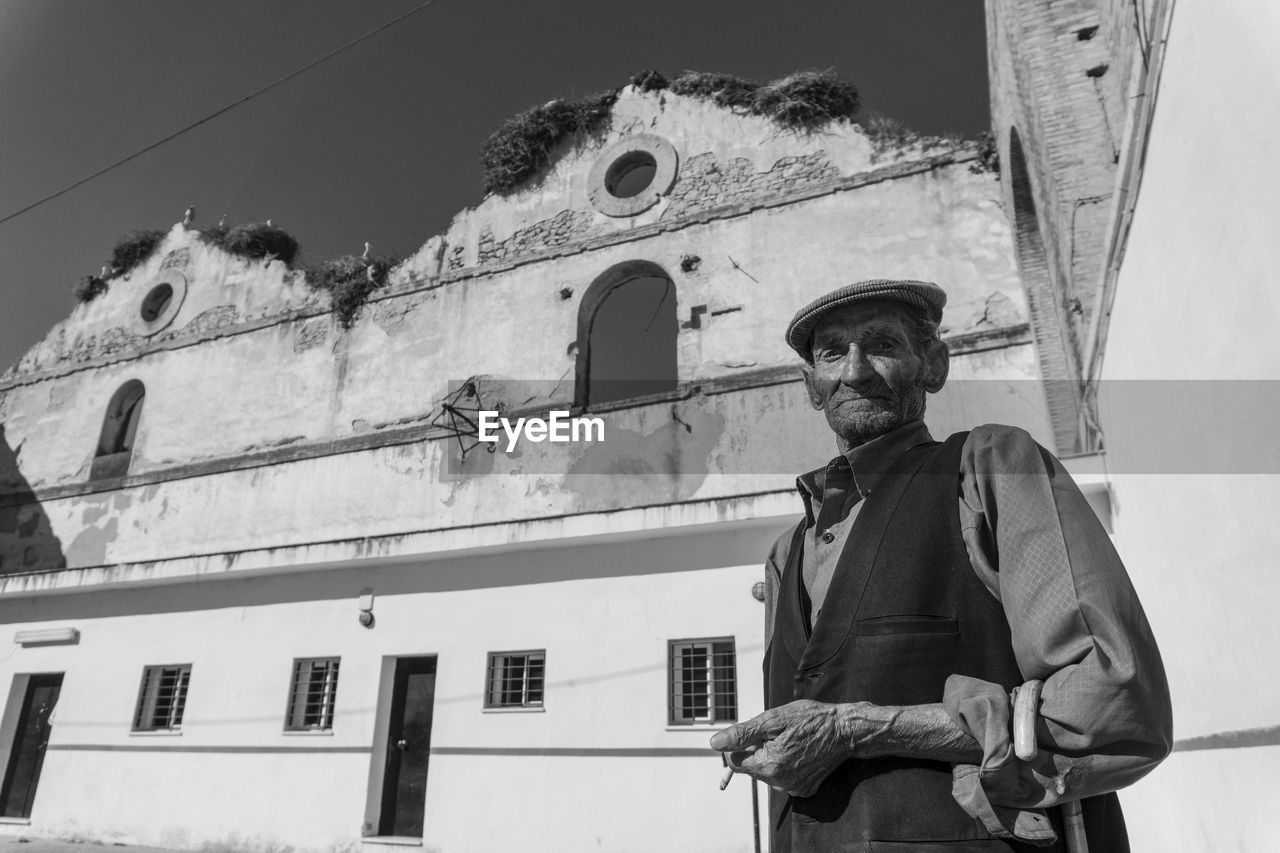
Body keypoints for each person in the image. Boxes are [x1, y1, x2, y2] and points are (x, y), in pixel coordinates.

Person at [710, 279, 1172, 852]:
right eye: (832, 353)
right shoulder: (788, 553)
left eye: (881, 344)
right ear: (811, 387)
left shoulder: (989, 467)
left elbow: (1112, 702)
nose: (854, 371)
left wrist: (862, 730)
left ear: (933, 364)